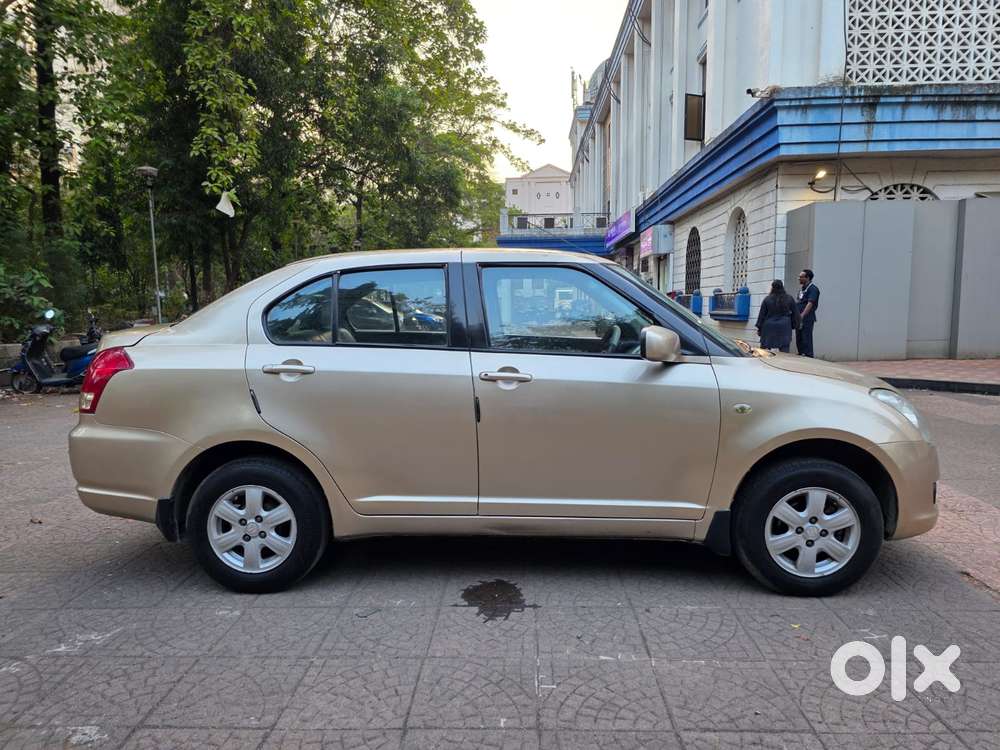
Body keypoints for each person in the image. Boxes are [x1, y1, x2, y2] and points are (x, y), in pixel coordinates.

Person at [755, 279, 801, 352]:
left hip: (769, 326)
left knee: (764, 351)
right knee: (784, 349)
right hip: (784, 326)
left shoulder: (767, 299)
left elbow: (762, 315)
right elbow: (796, 313)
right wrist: (794, 325)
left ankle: (763, 363)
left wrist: (759, 328)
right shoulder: (789, 298)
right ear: (782, 287)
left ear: (772, 287)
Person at [796, 269, 820, 357]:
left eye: (801, 277)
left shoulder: (813, 289)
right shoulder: (802, 289)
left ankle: (808, 357)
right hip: (799, 318)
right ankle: (800, 354)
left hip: (807, 318)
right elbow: (799, 302)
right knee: (799, 339)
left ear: (808, 278)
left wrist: (802, 315)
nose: (799, 278)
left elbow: (810, 303)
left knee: (806, 338)